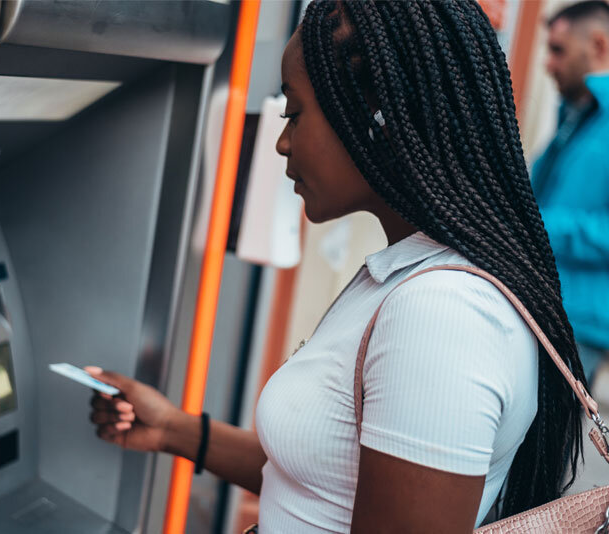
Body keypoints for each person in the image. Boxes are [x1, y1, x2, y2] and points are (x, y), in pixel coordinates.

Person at [87, 1, 587, 531]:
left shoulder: (443, 315)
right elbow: (330, 480)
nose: (281, 143)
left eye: (294, 114)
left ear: (379, 118)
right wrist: (174, 430)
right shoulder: (411, 275)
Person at [533, 0, 609, 383]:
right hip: (543, 305)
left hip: (577, 322)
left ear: (598, 46)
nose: (548, 63)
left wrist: (539, 225)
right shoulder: (576, 115)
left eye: (558, 50)